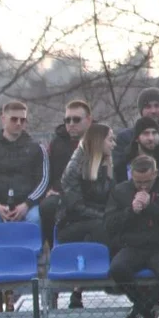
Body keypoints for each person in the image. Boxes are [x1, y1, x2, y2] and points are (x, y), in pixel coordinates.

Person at [105, 155, 159, 318]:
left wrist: (150, 207)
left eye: (147, 181)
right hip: (133, 246)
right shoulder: (120, 191)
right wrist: (131, 211)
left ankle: (134, 316)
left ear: (155, 173)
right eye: (138, 182)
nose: (142, 186)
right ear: (131, 174)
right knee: (117, 268)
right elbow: (109, 225)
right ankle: (147, 313)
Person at [57, 124, 116, 309]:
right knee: (100, 227)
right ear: (99, 141)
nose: (114, 144)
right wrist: (104, 215)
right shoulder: (75, 167)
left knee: (109, 226)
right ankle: (109, 277)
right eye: (110, 139)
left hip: (97, 221)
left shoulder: (107, 163)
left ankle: (78, 290)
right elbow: (75, 207)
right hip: (71, 224)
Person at [0, 100, 49, 236]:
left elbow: (43, 181)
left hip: (28, 205)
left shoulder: (37, 149)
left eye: (23, 120)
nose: (19, 123)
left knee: (36, 219)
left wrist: (27, 204)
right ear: (3, 119)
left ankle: (31, 255)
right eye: (14, 119)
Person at [40, 100, 93, 247]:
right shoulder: (57, 143)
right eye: (67, 120)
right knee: (47, 206)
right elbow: (49, 174)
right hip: (63, 194)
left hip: (93, 195)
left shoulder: (100, 140)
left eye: (76, 119)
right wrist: (49, 189)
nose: (71, 124)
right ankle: (55, 249)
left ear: (88, 120)